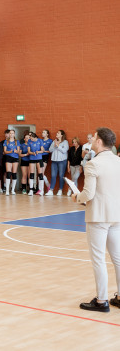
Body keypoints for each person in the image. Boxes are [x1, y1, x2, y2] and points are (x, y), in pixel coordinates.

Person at [72, 128, 120, 313]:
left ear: (99, 142)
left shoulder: (93, 164)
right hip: (116, 215)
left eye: (94, 137)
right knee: (118, 259)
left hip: (99, 217)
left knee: (98, 259)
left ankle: (101, 300)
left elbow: (88, 194)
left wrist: (77, 197)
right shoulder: (118, 161)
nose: (91, 139)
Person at [46, 130, 69, 196]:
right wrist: (55, 145)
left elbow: (64, 150)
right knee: (53, 175)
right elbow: (50, 150)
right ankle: (51, 190)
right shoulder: (54, 141)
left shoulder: (65, 142)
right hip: (54, 161)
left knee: (61, 176)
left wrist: (58, 146)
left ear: (61, 135)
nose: (56, 134)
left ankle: (60, 190)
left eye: (58, 133)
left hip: (62, 161)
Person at [3, 129, 20, 195]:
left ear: (14, 134)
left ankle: (13, 190)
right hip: (8, 157)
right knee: (8, 173)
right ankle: (7, 190)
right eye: (10, 133)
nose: (11, 134)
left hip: (15, 158)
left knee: (14, 173)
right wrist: (9, 151)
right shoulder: (6, 141)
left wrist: (16, 151)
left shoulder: (17, 141)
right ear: (9, 134)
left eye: (12, 133)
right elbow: (5, 151)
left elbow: (18, 151)